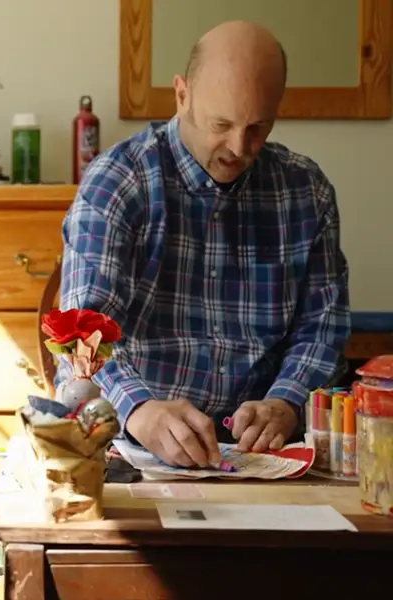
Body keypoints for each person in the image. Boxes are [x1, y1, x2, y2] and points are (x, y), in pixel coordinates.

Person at [58, 21, 350, 467]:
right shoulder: (118, 183)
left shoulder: (306, 193)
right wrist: (139, 410)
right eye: (222, 124)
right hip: (134, 451)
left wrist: (286, 402)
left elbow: (322, 327)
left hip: (265, 457)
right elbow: (81, 334)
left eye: (258, 127)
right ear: (182, 95)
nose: (238, 147)